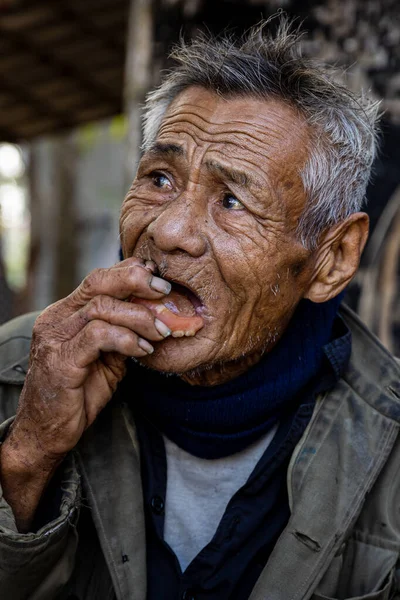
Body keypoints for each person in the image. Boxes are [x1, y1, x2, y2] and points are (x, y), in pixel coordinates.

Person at [0, 18, 399, 600]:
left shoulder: (389, 447)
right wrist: (29, 455)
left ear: (331, 259)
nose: (168, 231)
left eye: (232, 201)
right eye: (159, 178)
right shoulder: (22, 370)